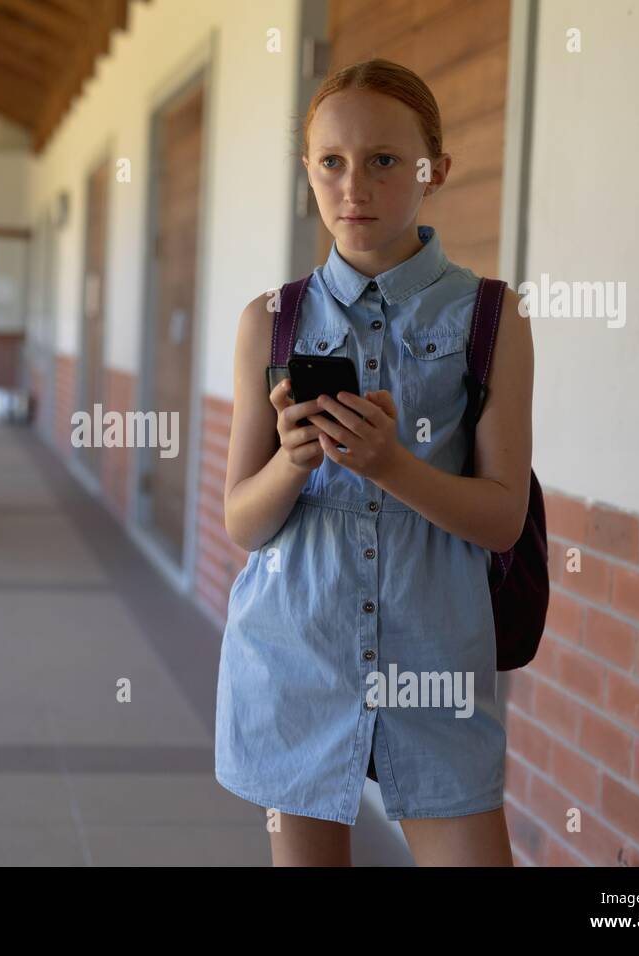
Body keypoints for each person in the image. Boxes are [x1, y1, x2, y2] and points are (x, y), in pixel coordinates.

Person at [215, 59, 533, 867]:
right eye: (332, 162)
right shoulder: (272, 320)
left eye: (385, 160)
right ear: (308, 172)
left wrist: (390, 464)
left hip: (436, 664)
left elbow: (502, 518)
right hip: (294, 655)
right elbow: (242, 525)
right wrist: (292, 464)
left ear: (436, 171)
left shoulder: (492, 317)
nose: (354, 185)